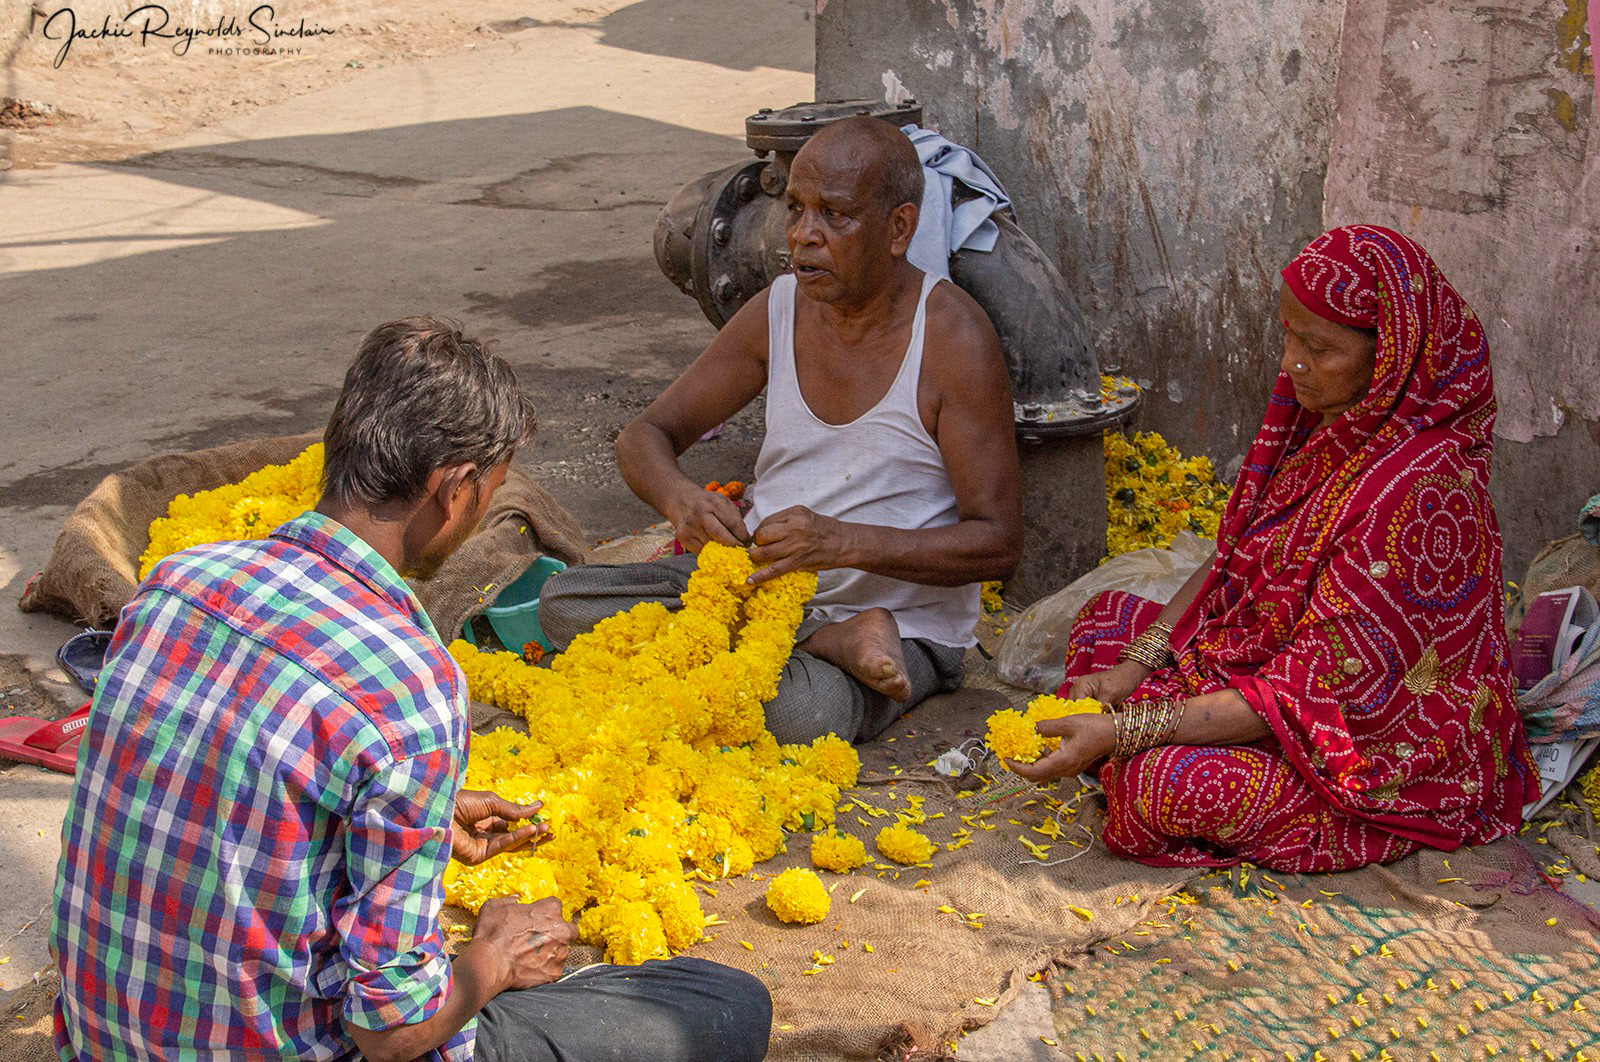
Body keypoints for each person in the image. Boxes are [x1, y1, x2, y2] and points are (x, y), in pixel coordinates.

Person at [51, 318, 772, 1062]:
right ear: (455, 491)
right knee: (726, 1006)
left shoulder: (176, 585)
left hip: (105, 1041)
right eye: (489, 493)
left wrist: (424, 808)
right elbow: (388, 1032)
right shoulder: (409, 682)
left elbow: (215, 774)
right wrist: (491, 963)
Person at [1009, 226, 1540, 872]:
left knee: (1160, 785)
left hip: (1359, 745)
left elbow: (1301, 697)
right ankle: (1125, 742)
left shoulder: (1420, 495)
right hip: (1269, 667)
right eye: (1288, 337)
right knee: (1105, 625)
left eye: (1317, 347)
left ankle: (1127, 757)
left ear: (1392, 356)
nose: (1292, 363)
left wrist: (1126, 728)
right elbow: (1233, 553)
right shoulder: (1326, 417)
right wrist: (1134, 669)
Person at [540, 116, 1024, 745]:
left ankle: (836, 641)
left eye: (834, 215)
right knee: (563, 604)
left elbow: (997, 544)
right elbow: (645, 436)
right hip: (758, 585)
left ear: (899, 228)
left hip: (902, 625)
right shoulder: (778, 308)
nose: (802, 237)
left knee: (795, 716)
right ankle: (824, 643)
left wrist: (842, 543)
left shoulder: (954, 338)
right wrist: (681, 501)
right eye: (795, 209)